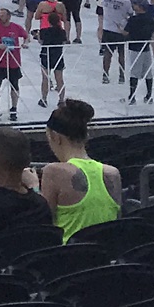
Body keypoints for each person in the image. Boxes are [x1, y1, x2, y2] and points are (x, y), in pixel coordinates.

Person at [41, 99, 122, 241]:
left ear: (56, 137)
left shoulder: (53, 172)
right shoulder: (113, 174)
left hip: (70, 258)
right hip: (106, 257)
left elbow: (45, 223)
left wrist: (34, 188)